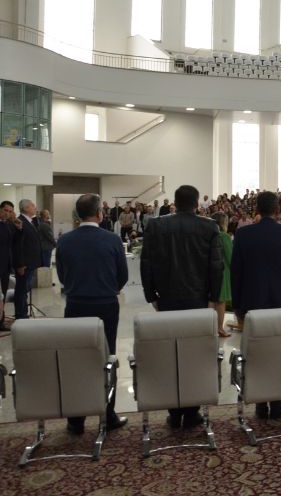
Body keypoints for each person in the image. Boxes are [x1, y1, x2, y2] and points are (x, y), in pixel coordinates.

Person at [140, 185, 224, 429]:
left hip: (167, 299)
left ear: (175, 203)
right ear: (197, 204)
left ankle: (174, 411)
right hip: (198, 300)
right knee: (195, 356)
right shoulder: (209, 226)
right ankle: (192, 410)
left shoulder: (156, 225)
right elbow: (216, 267)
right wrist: (214, 298)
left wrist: (151, 295)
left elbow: (147, 262)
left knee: (171, 355)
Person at [56, 194, 129, 435]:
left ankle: (76, 419)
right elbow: (122, 276)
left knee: (78, 358)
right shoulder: (112, 239)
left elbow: (63, 276)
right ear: (99, 213)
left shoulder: (65, 240)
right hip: (106, 304)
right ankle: (108, 414)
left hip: (76, 305)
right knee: (107, 357)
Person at [231, 191, 281, 419]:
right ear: (277, 209)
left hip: (253, 304)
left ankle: (260, 403)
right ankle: (277, 403)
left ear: (257, 210)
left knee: (256, 354)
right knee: (279, 354)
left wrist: (238, 307)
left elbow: (236, 273)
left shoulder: (243, 235)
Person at [12, 199, 41, 320]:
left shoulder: (30, 221)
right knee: (21, 290)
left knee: (25, 289)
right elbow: (17, 245)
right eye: (33, 206)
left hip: (31, 262)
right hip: (24, 264)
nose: (35, 207)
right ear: (26, 208)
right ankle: (21, 315)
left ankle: (23, 312)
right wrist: (20, 264)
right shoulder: (20, 222)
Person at [211, 212, 233, 337]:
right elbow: (230, 257)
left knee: (211, 302)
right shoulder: (224, 236)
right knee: (220, 302)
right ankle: (220, 328)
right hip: (222, 272)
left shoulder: (209, 234)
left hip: (209, 272)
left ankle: (212, 328)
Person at [0, 201, 16, 329]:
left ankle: (1, 318)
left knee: (3, 293)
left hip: (6, 266)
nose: (7, 213)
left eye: (10, 211)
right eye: (6, 210)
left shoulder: (9, 225)